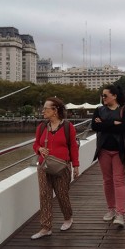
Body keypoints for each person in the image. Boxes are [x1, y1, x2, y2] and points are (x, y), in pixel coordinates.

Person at [31, 97, 80, 239]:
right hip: (44, 166)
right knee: (44, 195)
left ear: (55, 110)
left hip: (62, 166)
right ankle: (46, 227)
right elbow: (35, 144)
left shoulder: (67, 127)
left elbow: (73, 147)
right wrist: (39, 149)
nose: (43, 111)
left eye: (46, 108)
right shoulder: (41, 127)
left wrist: (76, 166)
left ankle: (68, 217)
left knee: (62, 194)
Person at [92, 85, 125, 226]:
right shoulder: (98, 110)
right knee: (107, 181)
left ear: (114, 96)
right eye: (102, 95)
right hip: (103, 150)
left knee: (119, 181)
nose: (103, 98)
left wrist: (104, 124)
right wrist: (112, 123)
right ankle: (111, 209)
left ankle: (120, 213)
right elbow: (94, 126)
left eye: (105, 95)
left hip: (119, 151)